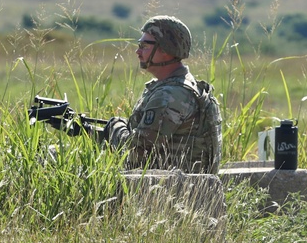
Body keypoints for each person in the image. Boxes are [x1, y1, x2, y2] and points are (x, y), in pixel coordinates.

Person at [35, 16, 223, 174]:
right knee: (56, 153)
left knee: (50, 161)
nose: (138, 51)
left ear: (165, 50)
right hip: (169, 183)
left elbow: (135, 153)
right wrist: (87, 131)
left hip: (168, 192)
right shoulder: (177, 87)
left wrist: (115, 125)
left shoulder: (170, 96)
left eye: (144, 45)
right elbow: (147, 142)